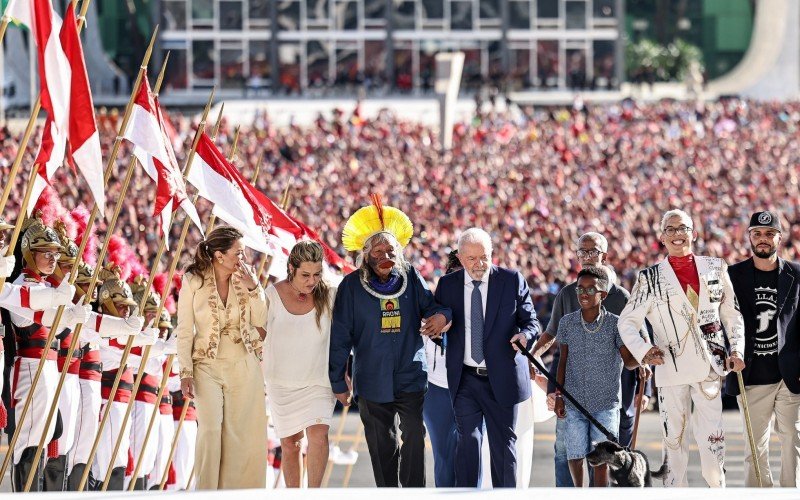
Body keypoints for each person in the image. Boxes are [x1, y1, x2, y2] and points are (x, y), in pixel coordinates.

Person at [618, 209, 746, 487]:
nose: (678, 234)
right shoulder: (649, 278)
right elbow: (627, 321)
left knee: (714, 440)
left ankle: (717, 489)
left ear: (694, 233)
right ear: (662, 238)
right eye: (671, 230)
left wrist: (736, 349)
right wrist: (643, 351)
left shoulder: (716, 267)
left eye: (683, 228)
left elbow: (731, 314)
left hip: (711, 366)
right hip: (670, 367)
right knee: (674, 443)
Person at [329, 198, 450, 487]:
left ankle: (413, 494)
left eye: (391, 250)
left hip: (410, 374)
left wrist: (440, 318)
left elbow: (432, 307)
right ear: (366, 255)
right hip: (371, 379)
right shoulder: (350, 286)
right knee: (382, 445)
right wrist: (337, 381)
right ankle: (388, 493)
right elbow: (340, 338)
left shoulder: (410, 275)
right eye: (379, 251)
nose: (386, 255)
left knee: (414, 437)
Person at [541, 232, 652, 486]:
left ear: (604, 254)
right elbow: (556, 342)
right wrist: (544, 376)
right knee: (566, 451)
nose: (588, 257)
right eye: (582, 252)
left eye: (593, 252)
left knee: (609, 455)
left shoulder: (622, 297)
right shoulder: (568, 294)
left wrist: (647, 387)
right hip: (573, 391)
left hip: (614, 390)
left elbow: (641, 344)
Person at [433, 227, 539, 488]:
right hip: (465, 379)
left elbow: (531, 322)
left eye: (485, 257)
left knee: (504, 448)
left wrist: (525, 336)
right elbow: (438, 322)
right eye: (472, 259)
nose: (479, 264)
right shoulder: (447, 285)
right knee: (467, 444)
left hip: (501, 378)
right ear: (459, 257)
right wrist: (438, 328)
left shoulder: (512, 280)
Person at [176, 226, 267, 490]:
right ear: (219, 255)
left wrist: (254, 288)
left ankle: (236, 494)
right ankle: (206, 492)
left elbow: (261, 321)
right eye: (239, 253)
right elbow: (184, 330)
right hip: (206, 366)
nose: (244, 259)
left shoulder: (246, 280)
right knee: (210, 429)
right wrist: (185, 372)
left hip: (244, 365)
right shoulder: (193, 280)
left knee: (240, 435)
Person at [5, 214, 91, 491]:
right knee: (29, 440)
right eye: (47, 253)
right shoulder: (21, 283)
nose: (53, 259)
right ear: (30, 254)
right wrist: (60, 300)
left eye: (56, 253)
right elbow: (38, 309)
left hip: (49, 366)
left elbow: (55, 314)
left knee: (50, 434)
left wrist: (74, 313)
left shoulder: (43, 285)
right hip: (31, 366)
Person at [726, 211, 800, 487]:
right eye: (757, 233)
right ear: (749, 237)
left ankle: (791, 493)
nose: (763, 239)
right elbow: (722, 321)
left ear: (780, 238)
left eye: (770, 234)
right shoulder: (732, 275)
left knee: (793, 440)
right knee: (755, 451)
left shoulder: (796, 273)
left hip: (788, 376)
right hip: (752, 375)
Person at [262, 240, 337, 488]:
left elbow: (345, 334)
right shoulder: (271, 295)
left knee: (318, 436)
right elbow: (257, 334)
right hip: (281, 383)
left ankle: (314, 494)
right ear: (291, 268)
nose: (312, 281)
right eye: (305, 274)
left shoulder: (330, 294)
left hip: (318, 379)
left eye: (317, 274)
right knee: (290, 444)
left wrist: (344, 372)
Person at [422, 249, 460, 487]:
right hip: (437, 388)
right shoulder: (430, 309)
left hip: (474, 386)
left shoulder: (487, 306)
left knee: (474, 455)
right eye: (455, 276)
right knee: (444, 456)